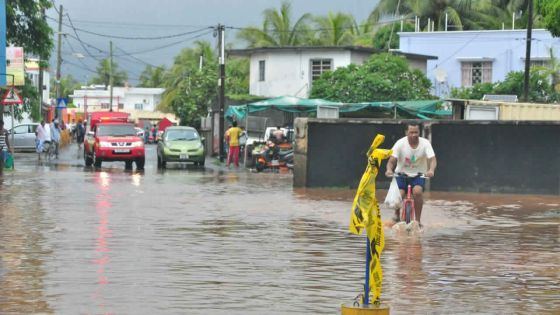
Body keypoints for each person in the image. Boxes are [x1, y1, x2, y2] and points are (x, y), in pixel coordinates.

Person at [385, 123, 437, 227]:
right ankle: (396, 214)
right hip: (401, 174)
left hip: (418, 175)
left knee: (417, 192)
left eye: (416, 132)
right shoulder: (400, 143)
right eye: (411, 132)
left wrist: (431, 170)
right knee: (399, 194)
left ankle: (417, 221)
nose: (414, 135)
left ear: (419, 132)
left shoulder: (425, 143)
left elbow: (432, 159)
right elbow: (391, 161)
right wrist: (389, 170)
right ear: (406, 133)